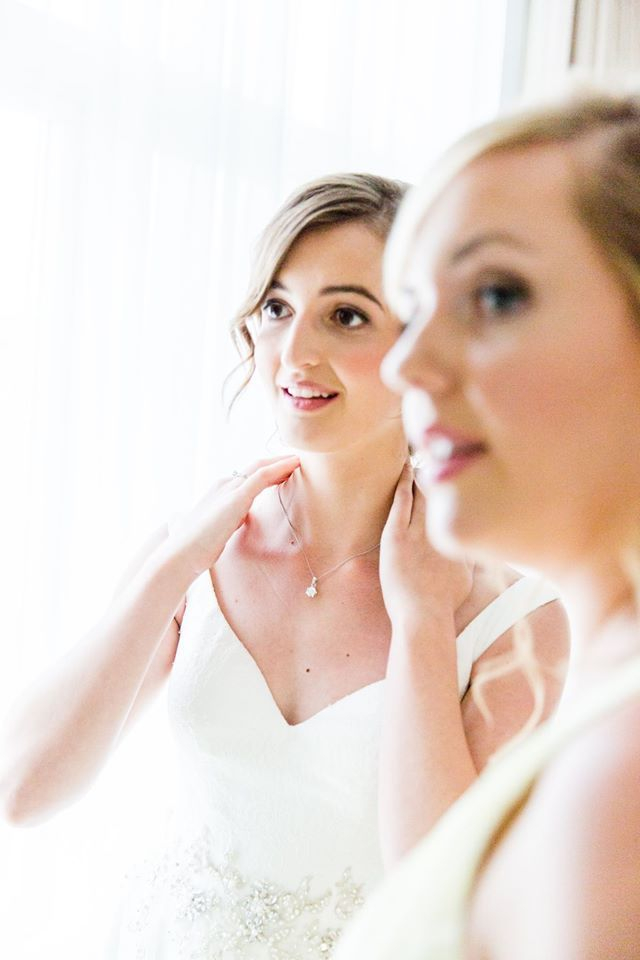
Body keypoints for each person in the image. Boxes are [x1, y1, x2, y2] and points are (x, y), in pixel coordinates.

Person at [0, 174, 566, 958]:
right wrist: (172, 569)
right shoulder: (197, 548)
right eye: (275, 308)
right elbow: (24, 790)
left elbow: (441, 900)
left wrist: (423, 624)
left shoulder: (513, 619)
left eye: (346, 315)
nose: (295, 352)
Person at [334, 93, 640, 960]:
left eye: (497, 295)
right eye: (413, 308)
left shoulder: (624, 777)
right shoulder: (604, 694)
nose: (406, 365)